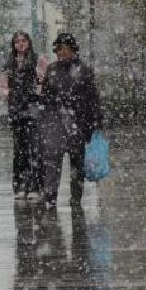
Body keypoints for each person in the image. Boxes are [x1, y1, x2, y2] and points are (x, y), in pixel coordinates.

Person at [38, 32, 103, 210]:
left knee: (77, 166)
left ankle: (76, 199)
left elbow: (93, 99)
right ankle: (50, 198)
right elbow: (45, 98)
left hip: (78, 126)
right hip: (55, 126)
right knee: (52, 165)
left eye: (65, 48)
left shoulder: (84, 70)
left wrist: (95, 123)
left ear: (73, 49)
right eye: (58, 49)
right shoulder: (51, 69)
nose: (62, 52)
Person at [0, 31, 44, 200]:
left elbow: (42, 82)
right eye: (17, 41)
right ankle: (19, 185)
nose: (21, 44)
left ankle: (34, 186)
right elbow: (2, 86)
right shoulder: (9, 63)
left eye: (23, 41)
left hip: (32, 108)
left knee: (34, 148)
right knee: (19, 150)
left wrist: (35, 95)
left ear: (29, 42)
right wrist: (8, 94)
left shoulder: (37, 60)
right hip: (16, 110)